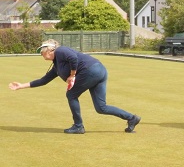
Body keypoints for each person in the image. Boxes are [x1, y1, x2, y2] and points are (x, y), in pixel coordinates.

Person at [8, 39, 141, 134]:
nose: (41, 54)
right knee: (101, 108)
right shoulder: (57, 66)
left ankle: (78, 126)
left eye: (42, 51)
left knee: (71, 94)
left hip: (92, 70)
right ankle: (131, 118)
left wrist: (72, 75)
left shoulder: (60, 51)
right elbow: (43, 80)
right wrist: (21, 86)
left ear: (49, 49)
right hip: (99, 71)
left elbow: (73, 58)